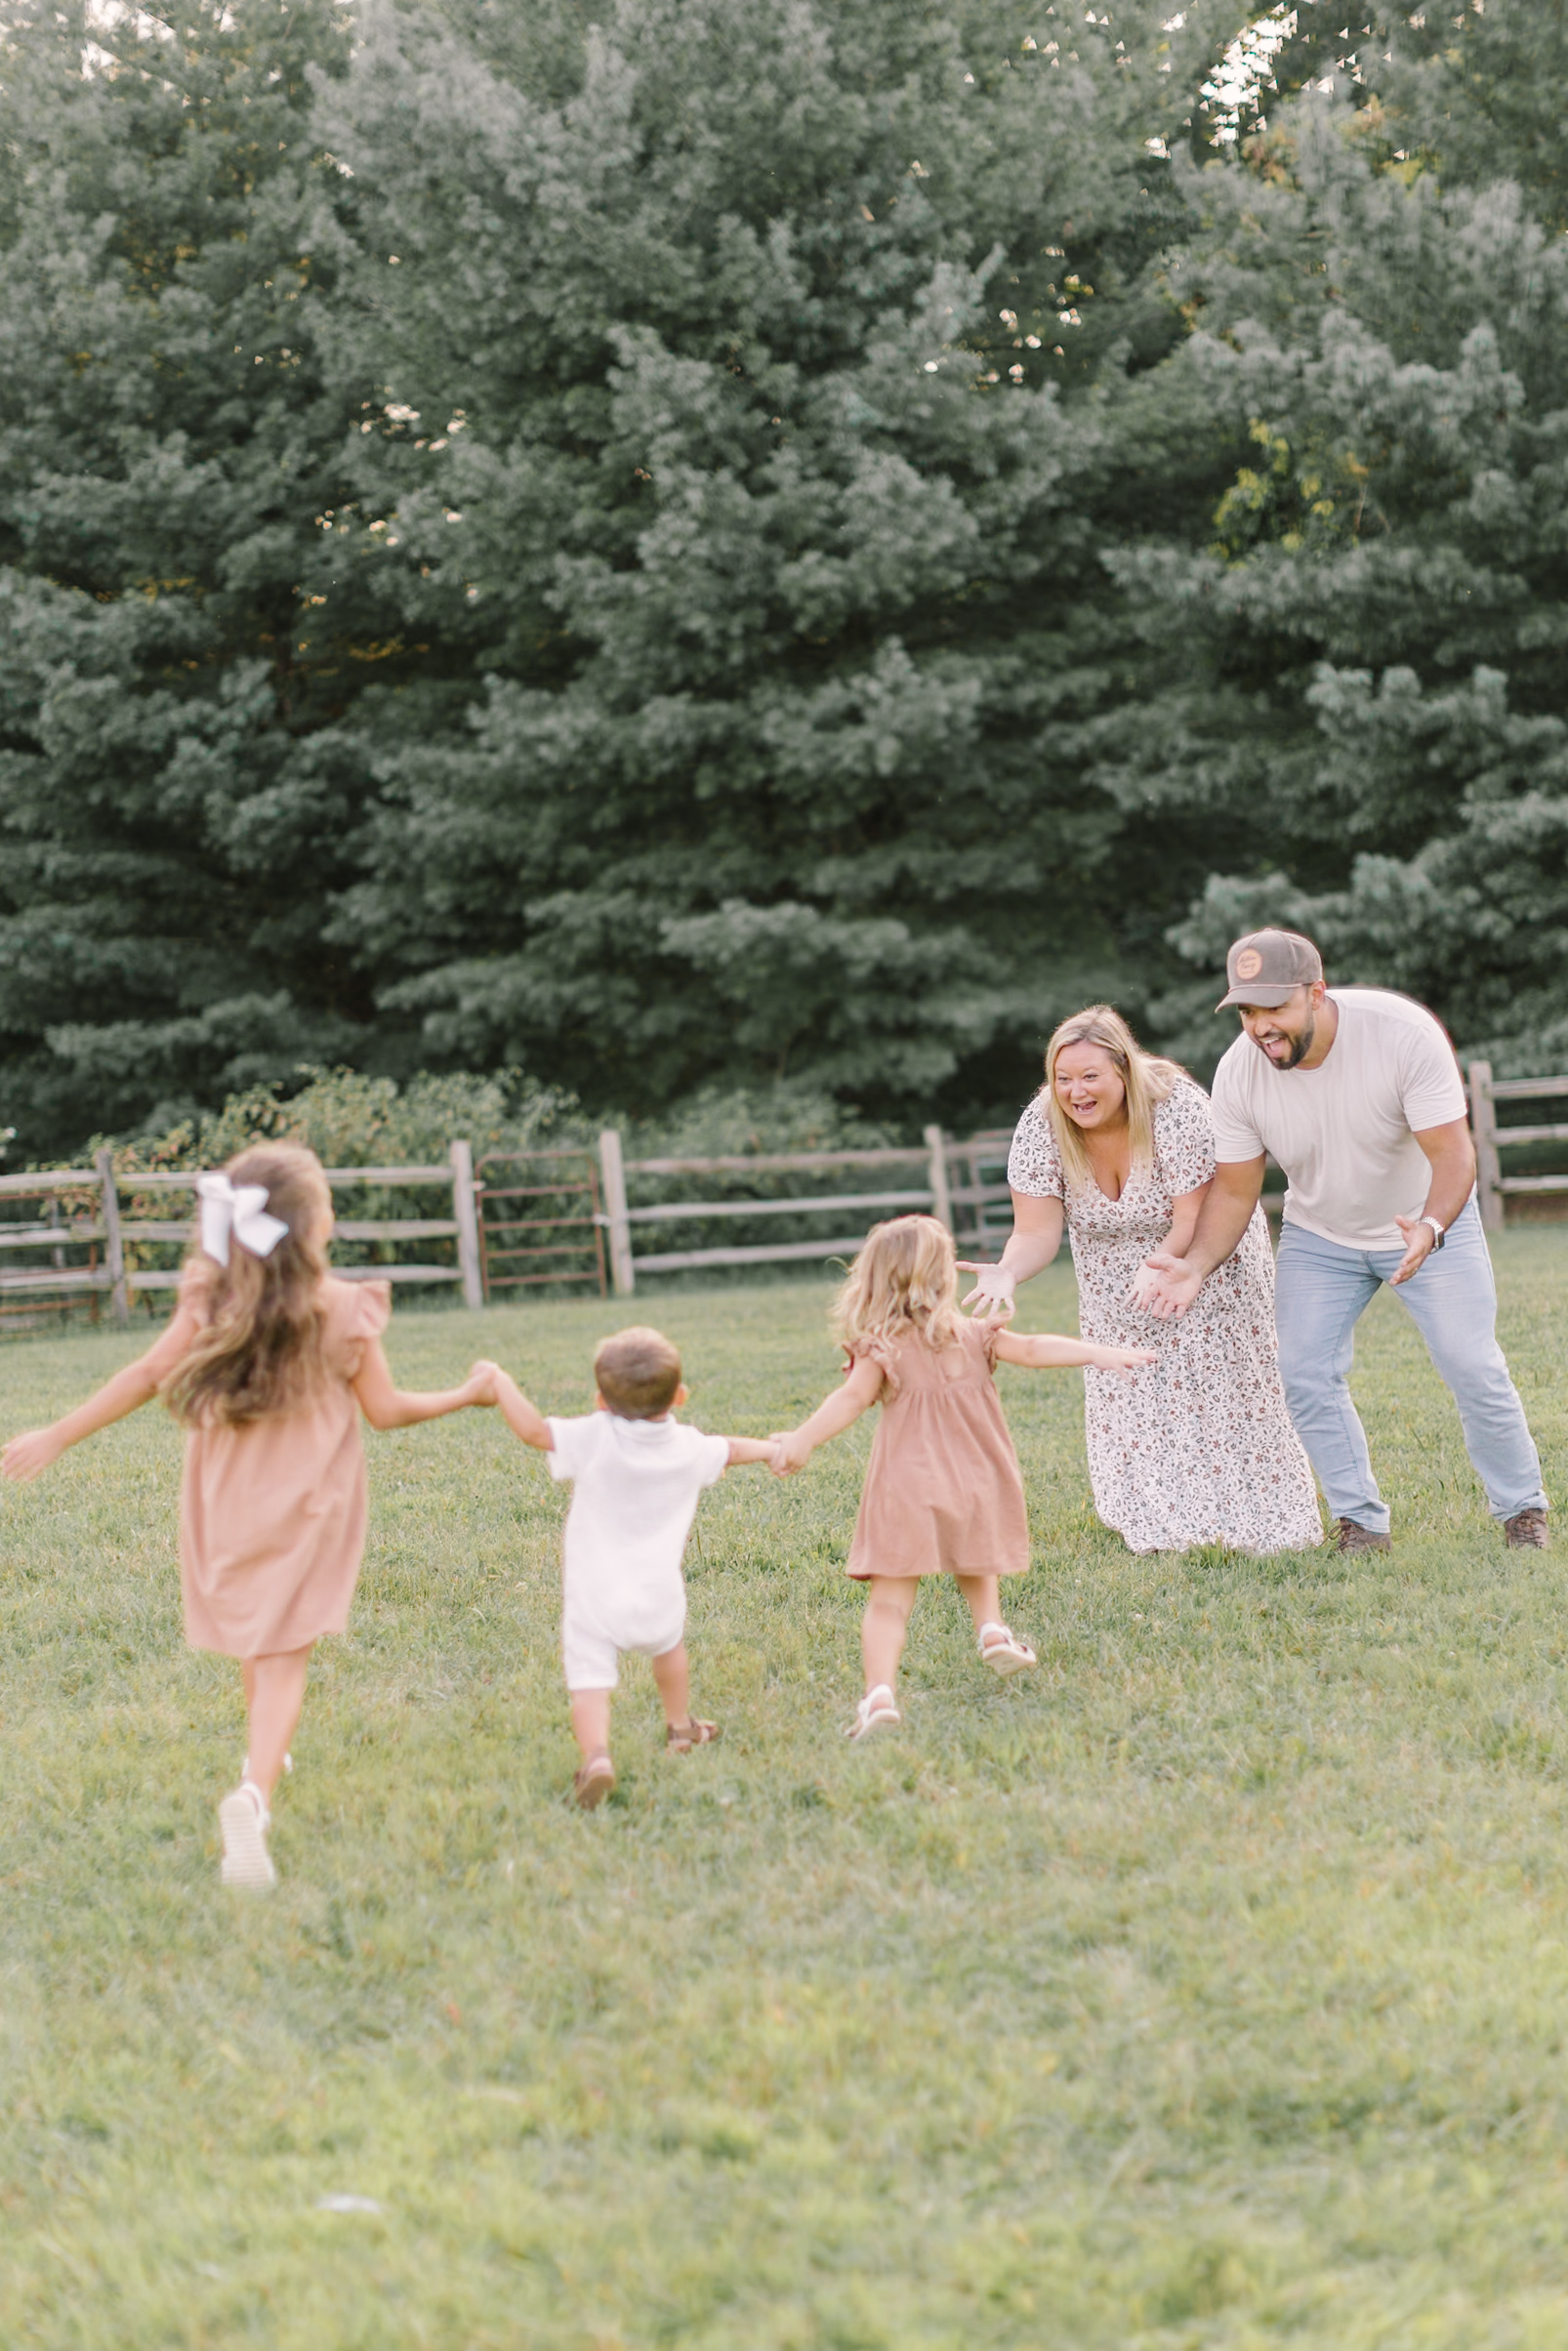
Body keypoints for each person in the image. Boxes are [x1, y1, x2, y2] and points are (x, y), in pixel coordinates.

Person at [0, 1144, 492, 1888]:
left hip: (226, 1502)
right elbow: (386, 1413)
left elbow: (145, 1376)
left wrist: (56, 1434)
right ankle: (254, 1798)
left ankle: (262, 1754)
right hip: (309, 1507)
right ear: (313, 1223)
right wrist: (466, 1393)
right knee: (286, 1654)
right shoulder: (343, 1306)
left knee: (258, 1641)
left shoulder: (213, 1301)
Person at [1137, 928, 1548, 1552]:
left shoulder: (1401, 1034)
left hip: (1426, 1222)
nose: (1259, 1026)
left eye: (1274, 1007)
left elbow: (1455, 1155)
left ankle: (1523, 1511)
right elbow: (1234, 1191)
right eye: (1247, 1010)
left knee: (1472, 1363)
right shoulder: (1239, 1073)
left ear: (1317, 993)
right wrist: (1195, 1265)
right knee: (1304, 1373)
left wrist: (1433, 1227)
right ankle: (1361, 1524)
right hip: (1320, 1235)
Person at [772, 1215, 1153, 1739]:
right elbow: (1036, 1349)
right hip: (979, 1480)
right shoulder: (974, 1336)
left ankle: (879, 1693)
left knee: (888, 1600)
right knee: (975, 1559)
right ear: (943, 1278)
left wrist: (803, 1439)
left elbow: (851, 1399)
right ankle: (992, 1629)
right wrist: (1098, 1353)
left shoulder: (880, 1346)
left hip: (906, 1486)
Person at [964, 1007, 1322, 1554]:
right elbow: (1036, 1231)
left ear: (1124, 1072)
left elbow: (1192, 1218)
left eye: (1090, 1077)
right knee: (1140, 1398)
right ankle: (1164, 1517)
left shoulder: (1175, 1108)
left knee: (1218, 1391)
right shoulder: (1042, 1124)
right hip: (1109, 1282)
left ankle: (1254, 1513)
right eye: (1062, 1078)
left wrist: (1160, 1271)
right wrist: (1008, 1271)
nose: (1074, 1092)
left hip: (1201, 1260)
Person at [473, 1327, 782, 1808]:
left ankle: (597, 1756)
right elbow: (732, 1449)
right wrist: (773, 1449)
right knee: (669, 1650)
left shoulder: (595, 1437)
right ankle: (680, 1728)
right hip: (658, 1589)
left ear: (600, 1400)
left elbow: (534, 1431)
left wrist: (499, 1382)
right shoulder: (688, 1446)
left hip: (594, 1594)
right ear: (679, 1395)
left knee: (589, 1678)